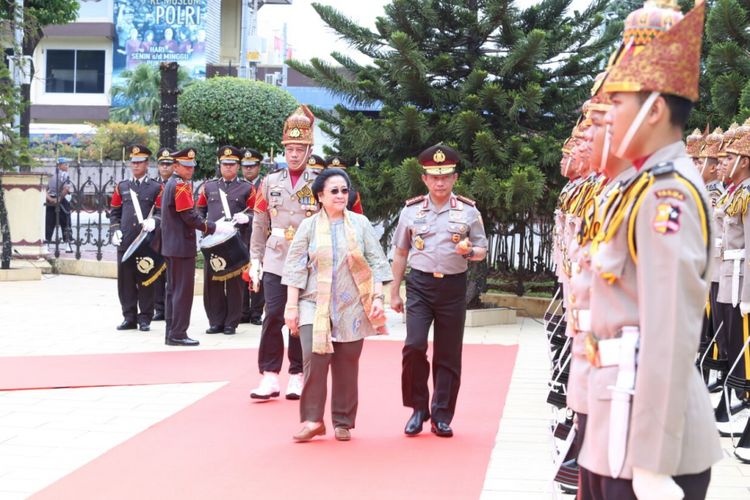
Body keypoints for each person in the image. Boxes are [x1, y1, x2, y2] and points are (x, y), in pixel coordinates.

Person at [579, 3, 722, 499]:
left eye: (618, 102)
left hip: (644, 437)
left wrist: (654, 461)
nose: (609, 115)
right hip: (615, 415)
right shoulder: (641, 186)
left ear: (655, 108)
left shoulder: (668, 194)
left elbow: (669, 331)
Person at [282, 168, 392, 442]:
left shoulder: (360, 224)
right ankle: (312, 420)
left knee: (346, 363)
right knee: (313, 359)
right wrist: (291, 307)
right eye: (334, 191)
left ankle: (343, 421)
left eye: (345, 190)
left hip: (352, 304)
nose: (341, 195)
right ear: (320, 196)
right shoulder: (308, 226)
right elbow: (295, 266)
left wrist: (378, 298)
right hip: (313, 304)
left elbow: (377, 262)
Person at [390, 145, 488, 438]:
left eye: (446, 176)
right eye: (434, 177)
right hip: (419, 285)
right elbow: (400, 252)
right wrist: (394, 291)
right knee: (414, 345)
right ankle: (418, 408)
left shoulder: (469, 212)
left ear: (455, 178)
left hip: (453, 286)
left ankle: (442, 415)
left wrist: (470, 250)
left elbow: (482, 248)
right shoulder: (410, 211)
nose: (440, 182)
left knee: (448, 353)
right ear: (425, 179)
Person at [248, 105, 321, 399]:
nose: (294, 154)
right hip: (276, 256)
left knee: (300, 318)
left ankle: (297, 373)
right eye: (290, 148)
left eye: (299, 148)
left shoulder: (318, 182)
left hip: (306, 260)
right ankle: (268, 374)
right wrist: (255, 258)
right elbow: (259, 220)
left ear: (308, 149)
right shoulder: (270, 181)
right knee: (274, 313)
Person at [161, 147, 234, 346]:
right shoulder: (181, 186)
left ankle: (171, 332)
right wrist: (214, 227)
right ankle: (178, 333)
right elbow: (190, 217)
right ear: (176, 166)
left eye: (191, 166)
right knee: (182, 293)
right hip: (181, 247)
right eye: (186, 166)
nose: (190, 170)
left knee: (173, 291)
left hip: (171, 246)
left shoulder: (170, 183)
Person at [197, 146, 255, 335]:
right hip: (214, 241)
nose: (228, 167)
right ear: (220, 165)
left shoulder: (248, 188)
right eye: (225, 164)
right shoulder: (209, 186)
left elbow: (257, 212)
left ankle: (231, 322)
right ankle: (215, 321)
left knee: (235, 285)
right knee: (212, 282)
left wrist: (248, 218)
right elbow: (199, 211)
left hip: (236, 243)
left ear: (238, 166)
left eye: (232, 164)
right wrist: (206, 226)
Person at [109, 144, 163, 332]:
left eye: (139, 162)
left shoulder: (156, 187)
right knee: (125, 281)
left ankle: (145, 318)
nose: (136, 166)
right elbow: (114, 212)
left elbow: (161, 211)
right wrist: (115, 230)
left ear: (147, 164)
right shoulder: (122, 186)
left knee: (146, 279)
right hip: (126, 241)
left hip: (145, 242)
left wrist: (155, 221)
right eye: (133, 162)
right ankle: (129, 316)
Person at [240, 147, 265, 325]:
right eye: (245, 166)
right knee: (241, 274)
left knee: (259, 274)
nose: (248, 169)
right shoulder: (238, 186)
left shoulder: (265, 184)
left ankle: (256, 312)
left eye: (252, 166)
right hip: (240, 238)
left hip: (261, 237)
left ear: (259, 167)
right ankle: (242, 311)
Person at [152, 147, 175, 322]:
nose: (165, 167)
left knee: (172, 274)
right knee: (156, 273)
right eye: (162, 164)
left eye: (168, 164)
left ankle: (171, 308)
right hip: (156, 235)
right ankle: (159, 308)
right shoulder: (153, 185)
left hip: (173, 235)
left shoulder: (179, 184)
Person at [45, 157, 74, 250]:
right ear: (59, 165)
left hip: (50, 200)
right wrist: (58, 199)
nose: (67, 166)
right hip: (62, 200)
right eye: (65, 164)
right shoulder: (65, 175)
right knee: (66, 222)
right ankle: (67, 244)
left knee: (49, 222)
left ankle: (47, 243)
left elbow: (43, 189)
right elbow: (66, 188)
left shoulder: (50, 174)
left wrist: (49, 198)